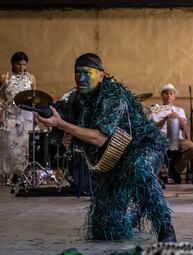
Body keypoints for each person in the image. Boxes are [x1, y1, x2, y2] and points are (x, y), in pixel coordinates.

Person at [36, 53, 176, 242]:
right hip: (112, 158)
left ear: (101, 75)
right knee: (105, 229)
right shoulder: (76, 99)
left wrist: (61, 124)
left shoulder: (113, 96)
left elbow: (99, 138)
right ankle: (138, 211)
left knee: (138, 167)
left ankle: (165, 227)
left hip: (143, 147)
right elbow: (61, 119)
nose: (80, 78)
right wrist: (46, 115)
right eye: (77, 73)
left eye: (87, 72)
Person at [0, 51, 36, 185]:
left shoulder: (31, 78)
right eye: (18, 64)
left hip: (26, 115)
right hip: (10, 114)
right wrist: (0, 115)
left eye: (24, 65)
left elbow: (34, 98)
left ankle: (23, 175)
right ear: (13, 64)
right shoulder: (6, 77)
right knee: (10, 144)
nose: (21, 67)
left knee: (25, 144)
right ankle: (10, 175)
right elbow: (1, 98)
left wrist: (36, 116)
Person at [150, 83, 193, 184]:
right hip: (161, 139)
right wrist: (165, 118)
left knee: (192, 147)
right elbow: (154, 128)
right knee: (156, 145)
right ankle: (161, 173)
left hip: (178, 139)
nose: (168, 95)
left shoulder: (179, 110)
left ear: (174, 96)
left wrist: (176, 117)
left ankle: (175, 170)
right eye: (166, 93)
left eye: (171, 93)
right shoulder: (156, 110)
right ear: (162, 95)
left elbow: (182, 128)